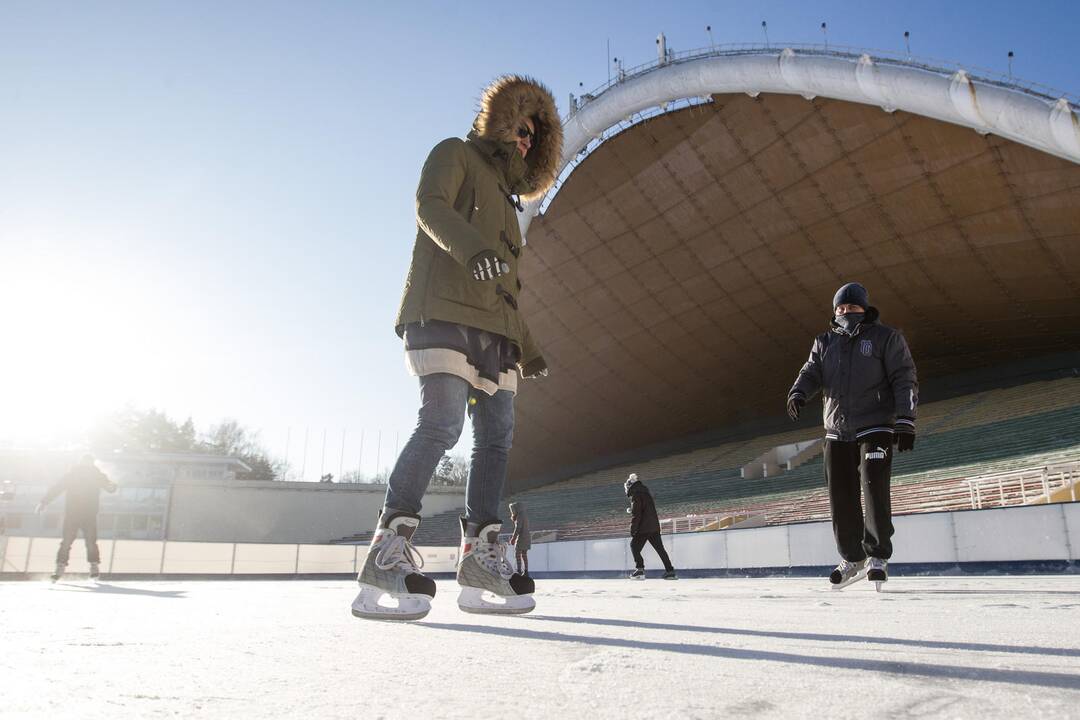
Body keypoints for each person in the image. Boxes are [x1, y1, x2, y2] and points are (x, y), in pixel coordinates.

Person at [351, 75, 562, 621]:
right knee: (442, 423)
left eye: (531, 139)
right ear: (500, 120)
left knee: (497, 437)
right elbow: (429, 206)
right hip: (443, 309)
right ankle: (385, 552)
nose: (522, 142)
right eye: (519, 129)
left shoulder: (512, 207)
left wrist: (529, 347)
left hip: (496, 335)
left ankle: (480, 560)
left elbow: (507, 289)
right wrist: (470, 250)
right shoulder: (455, 153)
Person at [786, 282, 918, 589]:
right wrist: (798, 392)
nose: (846, 312)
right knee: (840, 497)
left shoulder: (886, 338)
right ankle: (851, 557)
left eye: (852, 307)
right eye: (840, 308)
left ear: (864, 308)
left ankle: (877, 555)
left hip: (875, 425)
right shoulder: (824, 341)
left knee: (873, 488)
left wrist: (906, 420)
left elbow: (904, 377)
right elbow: (811, 370)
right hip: (836, 430)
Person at [36, 454, 117, 581]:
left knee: (85, 542)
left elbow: (109, 487)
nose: (86, 465)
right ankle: (61, 567)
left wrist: (112, 486)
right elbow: (57, 488)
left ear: (91, 463)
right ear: (81, 463)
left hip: (86, 514)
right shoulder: (74, 475)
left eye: (88, 462)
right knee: (72, 542)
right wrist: (44, 502)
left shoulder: (96, 475)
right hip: (75, 514)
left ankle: (91, 566)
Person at [624, 474, 677, 580]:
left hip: (644, 528)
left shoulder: (636, 495)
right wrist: (632, 510)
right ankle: (670, 571)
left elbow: (637, 514)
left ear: (630, 486)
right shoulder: (646, 493)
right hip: (654, 526)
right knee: (660, 549)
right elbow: (645, 510)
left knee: (634, 546)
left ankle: (640, 570)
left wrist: (633, 529)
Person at [508, 502, 530, 577]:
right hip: (527, 536)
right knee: (524, 554)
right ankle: (526, 571)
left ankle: (519, 571)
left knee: (517, 553)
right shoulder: (524, 515)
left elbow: (518, 528)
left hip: (522, 537)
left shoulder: (520, 516)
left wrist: (513, 538)